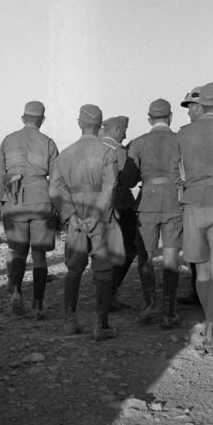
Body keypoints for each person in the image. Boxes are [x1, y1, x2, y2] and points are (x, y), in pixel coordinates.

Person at [50, 104, 125, 341]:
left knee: (73, 270)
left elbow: (55, 189)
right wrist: (97, 215)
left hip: (75, 220)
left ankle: (70, 322)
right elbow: (110, 185)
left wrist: (70, 215)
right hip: (100, 219)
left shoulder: (65, 154)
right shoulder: (107, 153)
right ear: (100, 125)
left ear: (79, 123)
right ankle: (101, 325)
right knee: (103, 271)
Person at [172, 81, 213, 350]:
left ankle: (208, 322)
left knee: (202, 269)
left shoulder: (183, 134)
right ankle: (212, 330)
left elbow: (175, 173)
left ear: (200, 105)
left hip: (193, 202)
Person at [0, 101, 59, 319]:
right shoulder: (48, 142)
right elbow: (57, 179)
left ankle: (15, 294)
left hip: (15, 201)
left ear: (23, 118)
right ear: (42, 119)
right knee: (39, 255)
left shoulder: (8, 140)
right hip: (41, 200)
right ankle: (38, 305)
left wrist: (4, 204)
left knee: (19, 252)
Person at [128, 99, 183, 329]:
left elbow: (129, 179)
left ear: (149, 119)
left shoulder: (138, 143)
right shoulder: (180, 140)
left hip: (147, 203)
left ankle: (150, 304)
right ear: (170, 117)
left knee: (145, 257)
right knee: (171, 257)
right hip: (173, 201)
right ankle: (168, 312)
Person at [99, 116, 141, 311]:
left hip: (95, 206)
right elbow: (130, 180)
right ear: (116, 131)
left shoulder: (95, 147)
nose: (125, 135)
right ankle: (109, 294)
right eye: (123, 131)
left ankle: (103, 292)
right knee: (128, 249)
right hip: (120, 205)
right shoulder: (119, 152)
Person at [177, 86, 204, 306]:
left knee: (197, 248)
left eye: (191, 107)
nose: (189, 112)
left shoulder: (184, 134)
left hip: (195, 198)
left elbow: (178, 170)